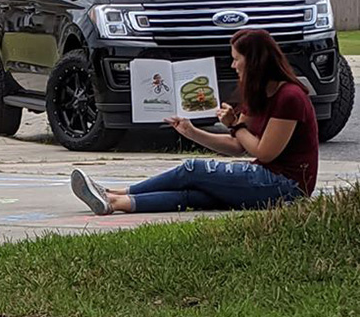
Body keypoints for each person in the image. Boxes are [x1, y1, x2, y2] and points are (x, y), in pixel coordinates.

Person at [71, 28, 319, 216]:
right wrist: (191, 132)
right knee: (194, 195)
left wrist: (235, 125)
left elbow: (264, 152)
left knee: (193, 169)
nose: (233, 65)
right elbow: (236, 145)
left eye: (236, 59)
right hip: (268, 179)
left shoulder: (290, 97)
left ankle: (119, 192)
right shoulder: (257, 95)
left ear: (254, 62)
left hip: (287, 186)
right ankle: (113, 202)